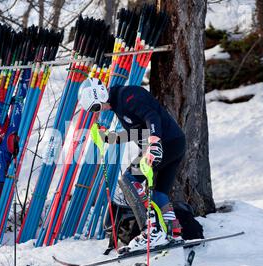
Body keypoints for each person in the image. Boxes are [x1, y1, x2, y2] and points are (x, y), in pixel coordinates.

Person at [78, 78, 186, 252]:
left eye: (96, 107)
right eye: (93, 110)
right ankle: (174, 233)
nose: (98, 112)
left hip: (165, 143)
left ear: (102, 95)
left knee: (128, 179)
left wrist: (154, 144)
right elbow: (135, 133)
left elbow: (152, 116)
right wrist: (108, 138)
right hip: (173, 142)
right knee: (159, 193)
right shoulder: (119, 106)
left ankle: (150, 231)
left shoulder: (128, 96)